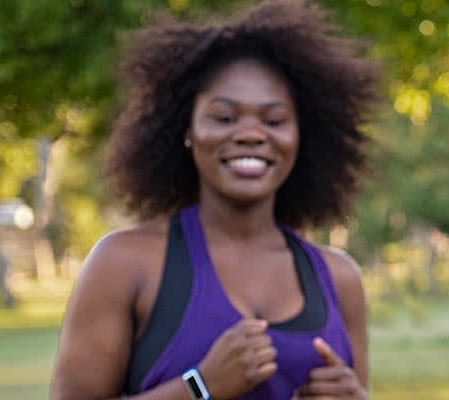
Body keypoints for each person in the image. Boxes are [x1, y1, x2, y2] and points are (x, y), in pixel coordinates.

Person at [50, 0, 377, 398]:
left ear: (301, 136)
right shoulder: (123, 263)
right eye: (224, 117)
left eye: (274, 121)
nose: (251, 134)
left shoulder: (339, 278)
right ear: (185, 131)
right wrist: (199, 387)